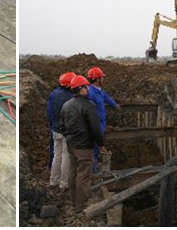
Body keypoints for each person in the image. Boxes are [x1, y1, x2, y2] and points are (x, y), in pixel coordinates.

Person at [62, 75, 104, 212]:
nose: (88, 89)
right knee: (84, 175)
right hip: (84, 146)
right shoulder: (89, 106)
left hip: (71, 144)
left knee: (73, 171)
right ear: (81, 89)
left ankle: (73, 201)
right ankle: (80, 206)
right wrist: (100, 143)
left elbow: (62, 126)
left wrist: (70, 136)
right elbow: (95, 128)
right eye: (86, 87)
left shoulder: (66, 105)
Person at [86, 67, 121, 173]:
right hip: (95, 124)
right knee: (94, 150)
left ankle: (94, 171)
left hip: (101, 123)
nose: (103, 79)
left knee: (96, 149)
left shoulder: (98, 90)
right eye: (102, 77)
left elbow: (106, 97)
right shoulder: (91, 93)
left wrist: (115, 105)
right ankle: (93, 174)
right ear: (97, 79)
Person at [45, 72, 76, 190]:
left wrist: (53, 125)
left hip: (55, 130)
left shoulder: (54, 94)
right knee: (66, 156)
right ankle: (64, 183)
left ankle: (53, 180)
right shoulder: (70, 98)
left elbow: (49, 112)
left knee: (56, 156)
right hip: (66, 131)